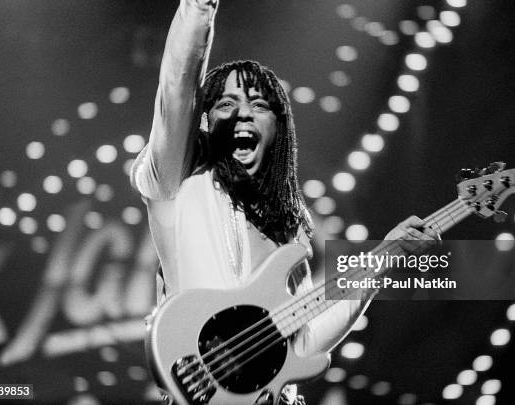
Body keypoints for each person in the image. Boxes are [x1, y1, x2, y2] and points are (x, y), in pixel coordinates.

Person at [130, 0, 437, 403]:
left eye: (259, 105)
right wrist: (200, 7)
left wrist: (385, 255)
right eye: (225, 103)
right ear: (203, 121)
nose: (243, 114)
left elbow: (305, 343)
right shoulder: (178, 179)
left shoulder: (290, 224)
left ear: (278, 127)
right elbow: (177, 86)